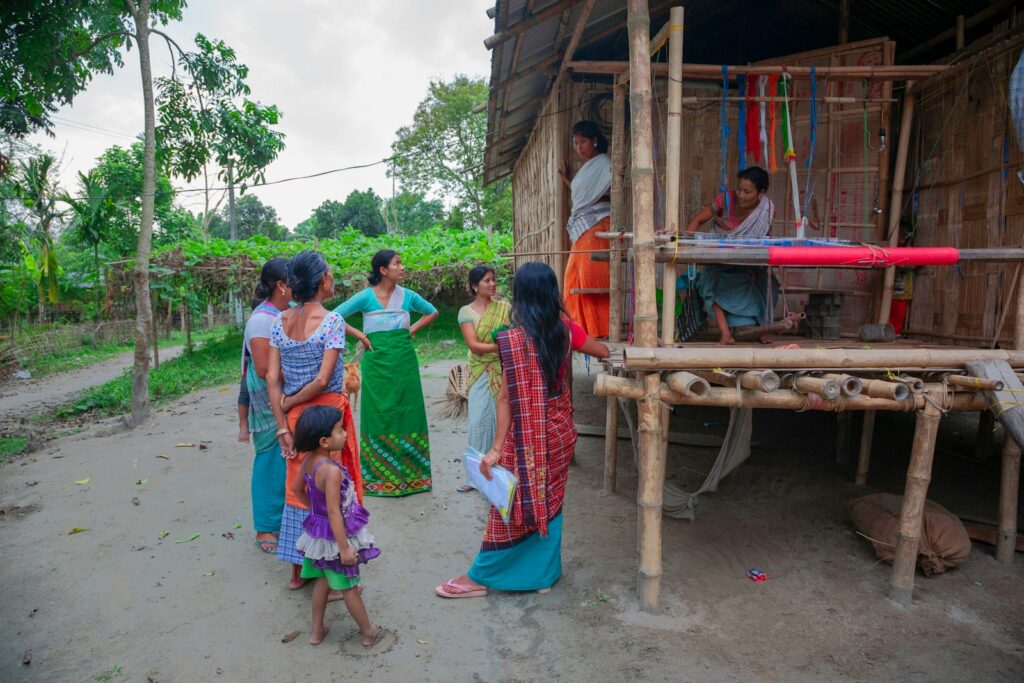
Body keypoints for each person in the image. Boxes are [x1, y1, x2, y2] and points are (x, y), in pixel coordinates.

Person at [436, 262, 609, 598]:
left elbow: (506, 399)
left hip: (524, 436)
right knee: (550, 502)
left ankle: (481, 577)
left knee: (511, 504)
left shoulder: (511, 340)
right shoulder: (566, 330)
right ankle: (543, 576)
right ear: (551, 293)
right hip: (559, 431)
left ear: (520, 296)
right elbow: (601, 350)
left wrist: (496, 450)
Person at [266, 251, 366, 592]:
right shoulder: (332, 321)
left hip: (295, 421)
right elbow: (324, 380)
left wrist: (283, 423)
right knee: (332, 492)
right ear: (322, 280)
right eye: (330, 273)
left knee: (299, 490)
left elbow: (272, 378)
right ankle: (337, 564)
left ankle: (298, 572)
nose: (333, 278)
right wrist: (294, 400)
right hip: (327, 419)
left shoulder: (278, 322)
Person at [335, 250, 438, 497]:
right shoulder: (366, 297)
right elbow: (334, 316)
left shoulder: (408, 296)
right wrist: (360, 335)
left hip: (404, 362)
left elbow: (432, 311)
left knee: (408, 410)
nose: (402, 267)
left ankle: (414, 477)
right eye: (397, 263)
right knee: (378, 411)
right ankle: (377, 478)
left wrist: (410, 330)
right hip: (376, 363)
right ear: (383, 270)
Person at [290, 406, 380, 647]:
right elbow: (333, 511)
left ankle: (317, 631)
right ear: (324, 441)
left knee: (321, 582)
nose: (345, 434)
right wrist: (344, 548)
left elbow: (297, 489)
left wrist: (314, 511)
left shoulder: (310, 462)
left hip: (318, 535)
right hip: (334, 539)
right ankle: (368, 632)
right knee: (349, 587)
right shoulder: (331, 472)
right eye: (340, 431)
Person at [682, 166, 778, 345]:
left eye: (747, 191)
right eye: (739, 189)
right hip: (719, 257)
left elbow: (763, 238)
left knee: (768, 283)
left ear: (761, 193)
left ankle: (762, 329)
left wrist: (751, 266)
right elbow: (697, 220)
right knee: (709, 284)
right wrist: (685, 246)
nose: (740, 195)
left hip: (748, 259)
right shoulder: (724, 200)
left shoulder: (767, 211)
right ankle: (725, 333)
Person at [237, 258, 292, 554]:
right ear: (281, 286)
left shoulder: (282, 313)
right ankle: (264, 528)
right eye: (292, 280)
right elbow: (262, 368)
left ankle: (281, 520)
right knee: (269, 464)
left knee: (284, 464)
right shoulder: (262, 320)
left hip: (283, 398)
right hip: (269, 404)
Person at [456, 265, 511, 492]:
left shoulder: (505, 308)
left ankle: (500, 471)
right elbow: (474, 346)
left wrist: (504, 348)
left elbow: (513, 334)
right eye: (487, 280)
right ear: (474, 286)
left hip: (503, 371)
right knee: (478, 422)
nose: (492, 284)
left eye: (494, 280)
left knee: (503, 421)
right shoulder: (465, 312)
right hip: (480, 372)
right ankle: (474, 478)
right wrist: (502, 347)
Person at [559, 120, 612, 339]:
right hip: (583, 225)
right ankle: (580, 328)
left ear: (595, 141)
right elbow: (583, 194)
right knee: (574, 277)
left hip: (597, 223)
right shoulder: (587, 168)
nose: (579, 147)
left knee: (593, 278)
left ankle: (602, 329)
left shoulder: (605, 163)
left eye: (583, 142)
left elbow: (600, 191)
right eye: (575, 142)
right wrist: (565, 179)